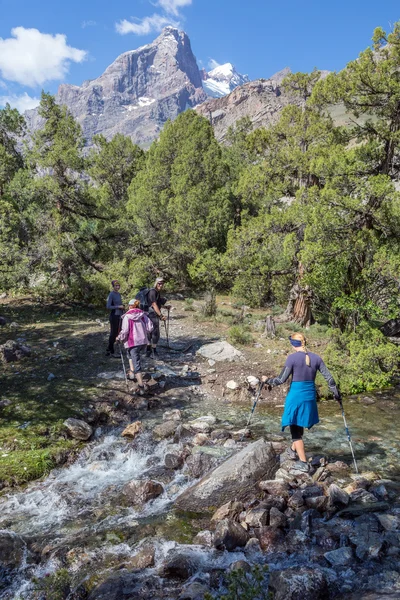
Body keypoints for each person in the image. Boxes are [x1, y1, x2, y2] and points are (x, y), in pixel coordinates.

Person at [262, 332, 342, 473]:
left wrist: (266, 380)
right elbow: (330, 379)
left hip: (296, 396)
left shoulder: (292, 358)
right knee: (300, 422)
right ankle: (293, 450)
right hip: (310, 396)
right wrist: (336, 395)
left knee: (294, 428)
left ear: (293, 344)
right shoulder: (316, 358)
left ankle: (303, 462)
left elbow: (280, 380)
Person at [116, 299, 154, 395]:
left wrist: (119, 338)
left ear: (130, 306)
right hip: (143, 342)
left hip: (133, 342)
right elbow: (150, 328)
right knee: (130, 355)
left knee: (136, 362)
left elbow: (125, 331)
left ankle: (141, 387)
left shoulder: (127, 317)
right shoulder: (143, 315)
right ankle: (132, 374)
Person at [146, 277, 171, 357]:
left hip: (151, 313)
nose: (161, 285)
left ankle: (149, 350)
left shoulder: (156, 292)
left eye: (162, 283)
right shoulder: (153, 292)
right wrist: (160, 315)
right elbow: (153, 304)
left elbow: (157, 303)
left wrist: (165, 307)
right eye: (159, 283)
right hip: (152, 314)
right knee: (155, 333)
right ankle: (153, 350)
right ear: (156, 283)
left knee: (151, 332)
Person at [106, 280, 124, 356]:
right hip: (114, 315)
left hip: (119, 315)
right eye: (116, 286)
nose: (117, 287)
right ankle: (111, 350)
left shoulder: (119, 294)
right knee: (113, 333)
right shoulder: (111, 294)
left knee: (118, 332)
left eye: (118, 285)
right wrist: (118, 306)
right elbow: (108, 306)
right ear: (113, 286)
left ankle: (111, 349)